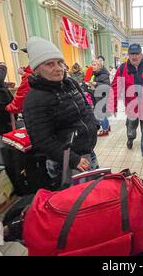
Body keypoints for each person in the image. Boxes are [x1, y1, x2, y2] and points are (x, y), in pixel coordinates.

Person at [23, 37, 99, 185]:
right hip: (65, 163)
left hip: (87, 153)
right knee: (78, 204)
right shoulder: (34, 99)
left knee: (94, 198)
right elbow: (42, 141)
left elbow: (85, 106)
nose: (58, 68)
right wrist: (73, 159)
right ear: (37, 69)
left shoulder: (70, 83)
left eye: (60, 62)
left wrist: (93, 124)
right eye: (50, 64)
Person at [108, 44, 143, 167]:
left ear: (141, 55)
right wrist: (113, 104)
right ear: (129, 55)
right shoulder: (122, 69)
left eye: (137, 54)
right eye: (132, 54)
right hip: (131, 107)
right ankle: (130, 138)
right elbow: (116, 87)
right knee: (131, 128)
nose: (134, 56)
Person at [89, 59, 111, 136]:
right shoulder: (95, 74)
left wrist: (95, 83)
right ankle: (107, 126)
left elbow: (107, 86)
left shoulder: (103, 75)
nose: (92, 66)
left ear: (99, 66)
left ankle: (105, 130)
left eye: (94, 65)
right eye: (92, 64)